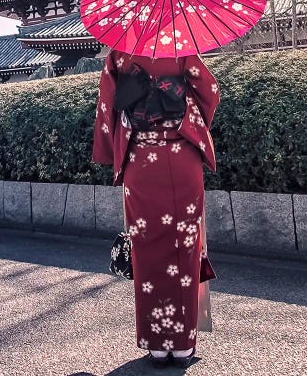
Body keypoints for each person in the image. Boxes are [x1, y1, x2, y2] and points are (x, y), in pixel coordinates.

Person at [92, 49, 220, 368]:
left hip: (140, 161)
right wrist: (190, 115)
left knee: (147, 251)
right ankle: (183, 343)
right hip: (182, 158)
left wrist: (112, 152)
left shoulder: (119, 54)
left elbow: (107, 104)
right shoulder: (181, 47)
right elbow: (210, 91)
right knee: (185, 249)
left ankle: (157, 346)